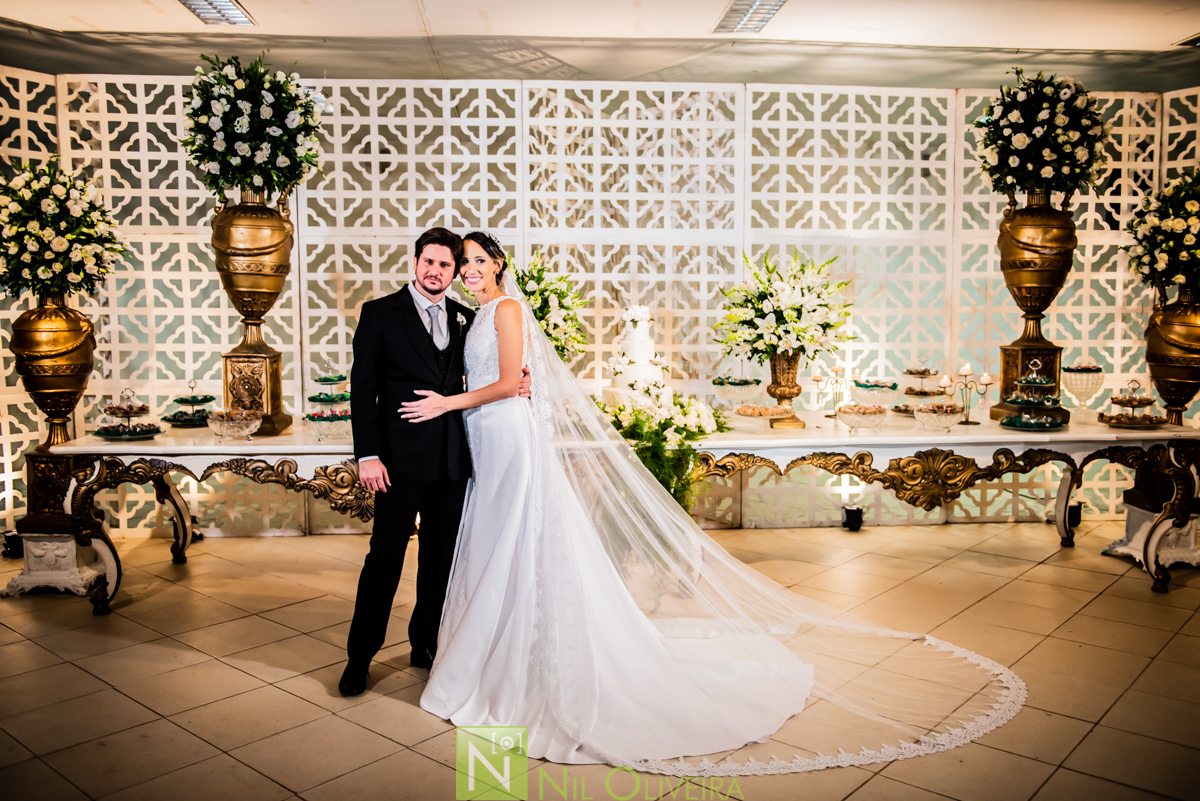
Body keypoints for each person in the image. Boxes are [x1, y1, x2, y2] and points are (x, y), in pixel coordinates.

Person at [399, 232, 1026, 774]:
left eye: (481, 260)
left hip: (503, 433)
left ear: (500, 266)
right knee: (495, 543)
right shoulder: (473, 314)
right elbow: (497, 378)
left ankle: (517, 664)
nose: (472, 269)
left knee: (513, 537)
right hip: (486, 436)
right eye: (466, 262)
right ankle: (493, 648)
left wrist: (444, 404)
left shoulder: (506, 310)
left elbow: (509, 384)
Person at [340, 227, 528, 697]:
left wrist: (522, 380)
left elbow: (492, 371)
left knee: (441, 562)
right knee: (384, 560)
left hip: (453, 464)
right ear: (416, 261)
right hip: (397, 465)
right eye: (430, 261)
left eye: (448, 265)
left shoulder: (469, 317)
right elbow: (362, 392)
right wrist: (368, 454)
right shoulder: (380, 313)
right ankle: (359, 658)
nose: (438, 271)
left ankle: (424, 643)